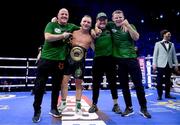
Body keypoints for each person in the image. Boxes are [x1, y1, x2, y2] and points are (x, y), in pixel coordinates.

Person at [32, 8, 79, 123]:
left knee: (56, 86)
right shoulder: (51, 24)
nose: (64, 15)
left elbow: (83, 29)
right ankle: (37, 111)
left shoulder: (71, 26)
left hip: (60, 62)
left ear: (68, 16)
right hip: (46, 60)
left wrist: (95, 29)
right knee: (39, 87)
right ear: (57, 16)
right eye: (62, 14)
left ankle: (53, 108)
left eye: (66, 14)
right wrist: (63, 35)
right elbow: (47, 37)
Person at [107, 10, 151, 118]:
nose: (118, 19)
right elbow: (99, 24)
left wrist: (128, 26)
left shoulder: (130, 25)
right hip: (119, 61)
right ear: (112, 19)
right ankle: (129, 107)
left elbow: (136, 37)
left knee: (139, 85)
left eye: (120, 17)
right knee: (124, 86)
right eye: (116, 17)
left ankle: (143, 108)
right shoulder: (110, 25)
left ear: (124, 17)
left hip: (131, 59)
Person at [57, 15, 94, 115]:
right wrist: (54, 21)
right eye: (84, 21)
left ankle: (78, 106)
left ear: (91, 25)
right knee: (64, 81)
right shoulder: (73, 32)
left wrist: (97, 34)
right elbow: (62, 29)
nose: (86, 23)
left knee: (78, 84)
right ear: (81, 22)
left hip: (80, 63)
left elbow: (96, 50)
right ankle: (63, 103)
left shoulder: (91, 37)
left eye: (88, 22)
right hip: (68, 60)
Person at [88, 12, 121, 114]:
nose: (102, 21)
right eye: (100, 19)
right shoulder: (92, 31)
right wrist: (94, 29)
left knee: (113, 83)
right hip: (98, 59)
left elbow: (119, 22)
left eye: (104, 19)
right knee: (96, 83)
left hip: (110, 59)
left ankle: (115, 105)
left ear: (107, 20)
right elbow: (91, 43)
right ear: (97, 21)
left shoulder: (110, 28)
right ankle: (94, 104)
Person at [152, 29, 178, 100]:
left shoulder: (172, 44)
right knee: (159, 81)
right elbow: (155, 55)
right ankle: (159, 95)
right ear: (164, 34)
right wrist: (154, 64)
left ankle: (167, 94)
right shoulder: (157, 44)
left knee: (168, 81)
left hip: (169, 65)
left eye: (170, 34)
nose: (170, 35)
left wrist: (176, 64)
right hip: (160, 65)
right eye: (168, 34)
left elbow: (174, 56)